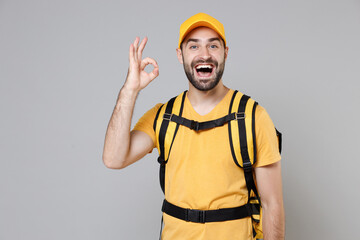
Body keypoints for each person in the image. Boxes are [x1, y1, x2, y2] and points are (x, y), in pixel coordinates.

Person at [103, 13, 285, 240]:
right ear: (180, 55)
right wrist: (130, 90)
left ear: (225, 53)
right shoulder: (163, 117)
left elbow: (272, 205)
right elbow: (113, 158)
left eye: (213, 46)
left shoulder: (253, 117)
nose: (204, 54)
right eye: (193, 47)